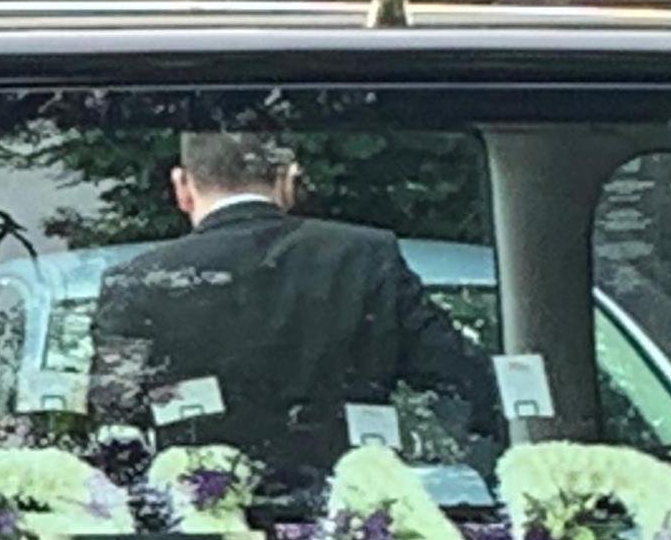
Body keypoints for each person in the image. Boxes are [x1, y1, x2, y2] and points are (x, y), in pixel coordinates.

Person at [86, 131, 502, 492]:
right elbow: (462, 381)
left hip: (199, 534)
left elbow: (116, 424)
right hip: (350, 521)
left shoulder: (137, 281)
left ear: (181, 185)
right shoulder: (365, 258)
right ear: (289, 178)